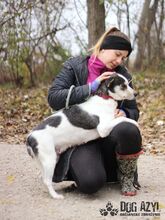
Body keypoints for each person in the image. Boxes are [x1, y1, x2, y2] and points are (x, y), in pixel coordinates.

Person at [48, 27, 143, 196]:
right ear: (103, 48)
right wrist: (91, 87)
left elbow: (133, 110)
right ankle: (86, 170)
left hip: (109, 133)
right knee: (90, 183)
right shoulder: (74, 66)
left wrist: (125, 114)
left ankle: (126, 177)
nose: (119, 61)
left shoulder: (122, 75)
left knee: (128, 127)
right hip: (81, 137)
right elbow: (54, 98)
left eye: (123, 58)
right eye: (117, 54)